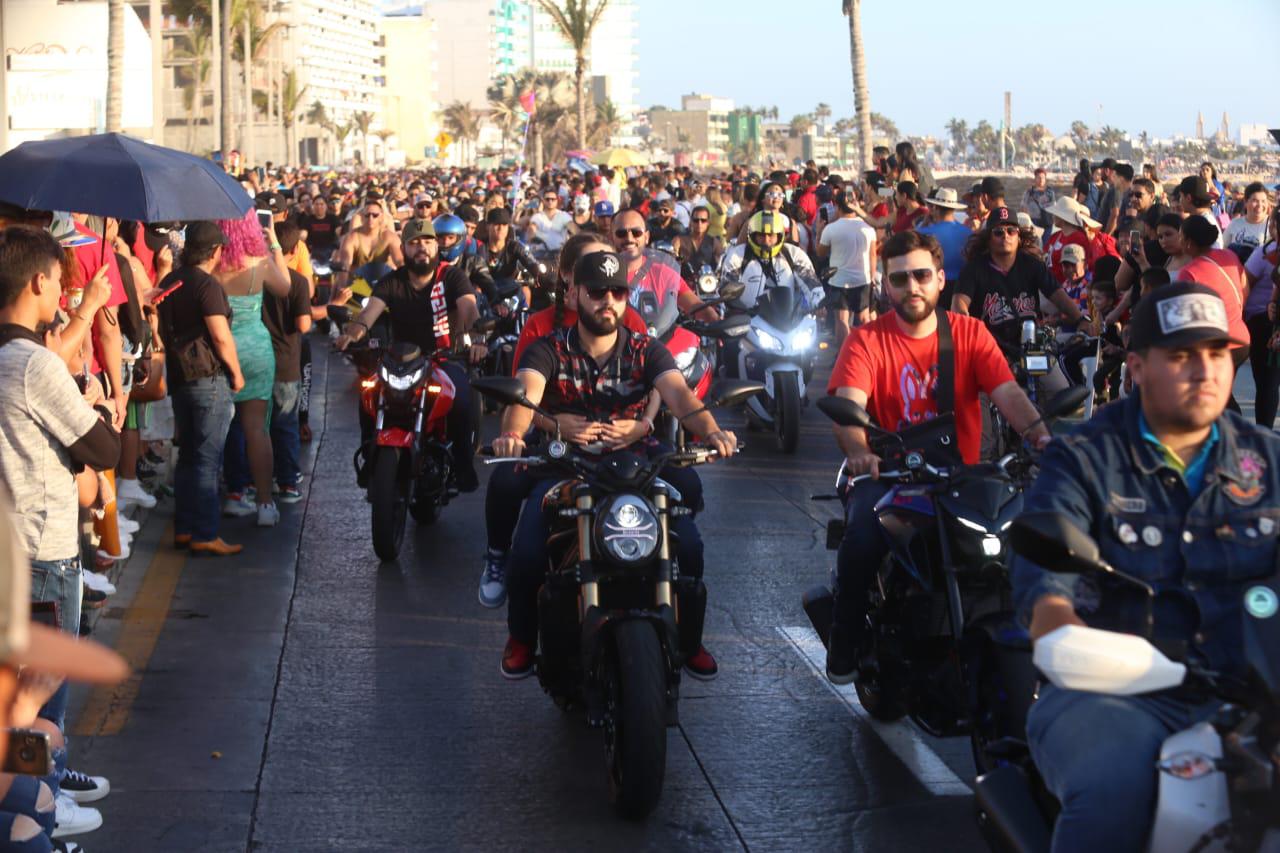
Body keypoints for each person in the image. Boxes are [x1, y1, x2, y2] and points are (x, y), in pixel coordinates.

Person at [1013, 281, 1269, 852]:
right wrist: (1072, 641)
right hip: (1116, 692)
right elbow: (1045, 597)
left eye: (1216, 353)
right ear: (1136, 365)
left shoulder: (1267, 462)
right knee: (1114, 790)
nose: (1204, 371)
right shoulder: (1082, 459)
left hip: (1253, 693)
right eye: (1181, 356)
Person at [491, 249, 737, 680]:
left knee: (692, 545)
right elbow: (524, 397)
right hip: (565, 465)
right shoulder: (548, 349)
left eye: (618, 291)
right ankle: (523, 638)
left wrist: (713, 431)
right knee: (528, 553)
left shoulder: (646, 348)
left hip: (635, 462)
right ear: (576, 295)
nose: (608, 300)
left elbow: (680, 396)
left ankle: (691, 639)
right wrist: (518, 432)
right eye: (598, 291)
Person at [824, 230, 1051, 681]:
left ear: (941, 279)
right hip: (891, 479)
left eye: (922, 275)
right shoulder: (865, 341)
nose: (912, 286)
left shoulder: (970, 333)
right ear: (885, 285)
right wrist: (860, 453)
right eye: (900, 278)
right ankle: (844, 641)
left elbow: (1007, 393)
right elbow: (848, 407)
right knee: (862, 541)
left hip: (963, 479)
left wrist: (1042, 437)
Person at [481, 235, 649, 609]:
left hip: (621, 448)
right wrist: (547, 427)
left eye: (611, 282)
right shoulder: (542, 331)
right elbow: (525, 398)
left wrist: (645, 425)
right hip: (557, 450)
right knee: (511, 495)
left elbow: (660, 380)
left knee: (684, 524)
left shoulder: (630, 321)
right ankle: (497, 560)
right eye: (590, 277)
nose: (604, 292)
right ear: (569, 279)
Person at [334, 218, 483, 493]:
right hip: (399, 361)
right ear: (403, 248)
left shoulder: (452, 277)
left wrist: (478, 337)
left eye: (427, 242)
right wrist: (350, 335)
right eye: (414, 243)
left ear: (435, 246)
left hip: (443, 358)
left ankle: (463, 464)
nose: (421, 248)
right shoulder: (392, 281)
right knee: (368, 394)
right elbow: (368, 315)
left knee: (461, 399)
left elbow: (468, 308)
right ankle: (371, 454)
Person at [156, 222, 245, 556]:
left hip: (179, 378)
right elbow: (220, 335)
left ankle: (184, 528)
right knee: (208, 460)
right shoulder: (207, 286)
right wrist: (236, 373)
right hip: (208, 379)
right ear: (216, 252)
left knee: (188, 457)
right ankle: (205, 533)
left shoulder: (170, 281)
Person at [217, 212, 292, 528]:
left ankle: (233, 495)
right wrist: (273, 239)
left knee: (218, 430)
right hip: (257, 348)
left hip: (220, 348)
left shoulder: (213, 262)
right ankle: (264, 503)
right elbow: (285, 286)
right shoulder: (259, 261)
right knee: (257, 430)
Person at [952, 207, 1082, 356]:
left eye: (1011, 231)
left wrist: (1081, 319)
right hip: (989, 350)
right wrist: (965, 320)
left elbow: (1058, 295)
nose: (1005, 236)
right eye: (998, 232)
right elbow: (959, 303)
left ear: (1018, 236)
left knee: (1061, 380)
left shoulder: (1033, 265)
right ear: (988, 238)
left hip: (1032, 348)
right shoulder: (974, 269)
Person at [263, 222, 313, 504]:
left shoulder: (253, 276)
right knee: (285, 426)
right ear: (294, 250)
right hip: (286, 363)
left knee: (256, 425)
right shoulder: (298, 282)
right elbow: (303, 325)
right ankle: (287, 481)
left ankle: (253, 479)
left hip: (256, 360)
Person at [719, 210, 821, 312]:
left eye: (771, 235)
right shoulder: (738, 255)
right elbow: (727, 287)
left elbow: (810, 281)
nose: (766, 240)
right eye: (761, 235)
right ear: (753, 235)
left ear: (779, 236)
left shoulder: (793, 254)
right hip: (747, 319)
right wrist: (734, 308)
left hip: (788, 320)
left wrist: (819, 302)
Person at [816, 187, 878, 341]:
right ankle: (868, 351)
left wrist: (819, 232)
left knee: (841, 320)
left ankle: (843, 354)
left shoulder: (830, 229)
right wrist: (872, 279)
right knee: (864, 319)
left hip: (838, 280)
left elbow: (820, 253)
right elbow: (873, 255)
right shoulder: (868, 228)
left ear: (837, 206)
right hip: (862, 279)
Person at [334, 195, 403, 293]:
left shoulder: (390, 236)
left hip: (384, 285)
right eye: (367, 215)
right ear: (362, 217)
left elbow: (400, 262)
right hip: (357, 286)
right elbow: (345, 265)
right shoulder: (351, 238)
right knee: (334, 297)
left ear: (381, 217)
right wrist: (342, 289)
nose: (371, 218)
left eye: (375, 215)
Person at [916, 188, 971, 301]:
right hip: (962, 287)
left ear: (935, 208)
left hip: (937, 284)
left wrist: (924, 223)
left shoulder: (925, 233)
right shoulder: (968, 233)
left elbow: (911, 241)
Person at [1222, 182, 1271, 256]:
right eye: (1255, 201)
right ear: (1245, 202)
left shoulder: (1273, 225)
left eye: (1263, 201)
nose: (1260, 205)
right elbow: (1223, 248)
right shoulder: (1235, 223)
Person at [673, 204, 723, 272]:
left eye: (703, 220)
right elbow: (672, 260)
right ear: (691, 221)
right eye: (696, 220)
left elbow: (720, 266)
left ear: (708, 222)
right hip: (683, 280)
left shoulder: (714, 242)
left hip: (706, 280)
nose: (699, 223)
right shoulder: (679, 240)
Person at [521, 189, 571, 253]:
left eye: (553, 199)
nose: (550, 201)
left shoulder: (561, 215)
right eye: (547, 199)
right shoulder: (534, 217)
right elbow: (529, 233)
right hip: (540, 252)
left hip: (558, 252)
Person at [297, 195, 342, 261]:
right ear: (313, 206)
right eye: (316, 204)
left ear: (326, 206)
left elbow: (339, 231)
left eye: (321, 204)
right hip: (313, 251)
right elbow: (303, 234)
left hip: (330, 251)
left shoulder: (333, 218)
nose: (319, 206)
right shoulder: (308, 220)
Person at [1021, 168, 1056, 233]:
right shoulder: (1029, 192)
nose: (1041, 180)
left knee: (1046, 242)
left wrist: (1054, 220)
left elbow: (1054, 207)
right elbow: (1024, 207)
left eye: (1043, 178)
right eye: (1039, 177)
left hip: (1047, 221)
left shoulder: (1050, 192)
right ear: (1035, 178)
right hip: (1033, 221)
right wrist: (1028, 221)